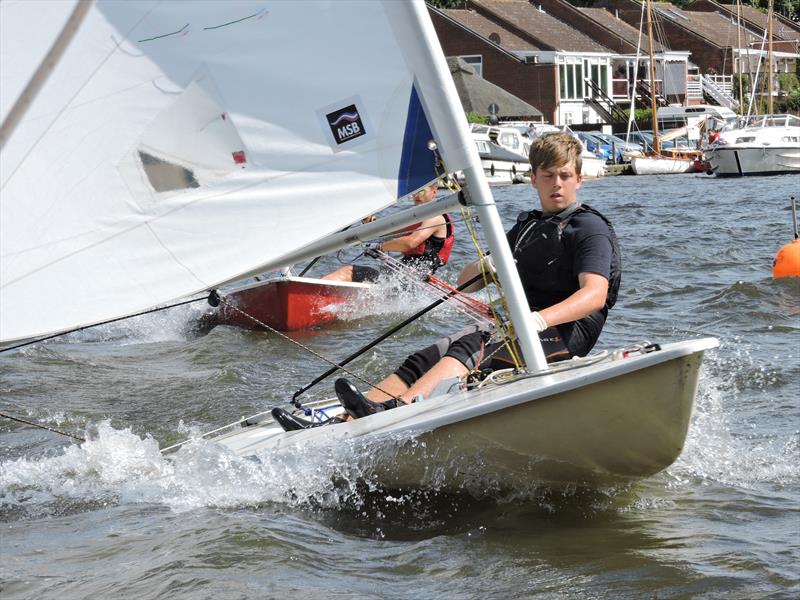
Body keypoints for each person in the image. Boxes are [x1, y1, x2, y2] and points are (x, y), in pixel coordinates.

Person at [272, 132, 620, 431]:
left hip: (566, 332)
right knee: (423, 357)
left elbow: (594, 296)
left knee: (469, 349)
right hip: (520, 327)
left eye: (564, 175)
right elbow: (467, 285)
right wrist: (485, 265)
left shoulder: (588, 228)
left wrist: (538, 319)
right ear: (533, 178)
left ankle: (394, 413)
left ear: (579, 178)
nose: (556, 184)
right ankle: (348, 420)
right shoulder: (527, 225)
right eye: (548, 175)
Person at [321, 183, 454, 283]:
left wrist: (378, 247)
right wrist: (370, 222)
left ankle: (314, 296)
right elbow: (389, 233)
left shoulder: (435, 217)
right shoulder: (419, 216)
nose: (416, 195)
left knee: (348, 272)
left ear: (434, 192)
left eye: (421, 191)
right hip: (405, 274)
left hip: (412, 277)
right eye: (414, 192)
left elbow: (410, 242)